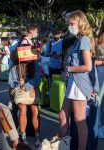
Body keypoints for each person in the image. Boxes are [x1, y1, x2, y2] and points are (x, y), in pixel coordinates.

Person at [56, 10, 99, 150]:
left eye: (72, 24)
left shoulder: (84, 39)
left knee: (79, 120)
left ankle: (81, 148)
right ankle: (60, 144)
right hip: (74, 83)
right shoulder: (78, 40)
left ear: (80, 23)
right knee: (63, 114)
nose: (69, 27)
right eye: (68, 24)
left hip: (80, 84)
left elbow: (88, 66)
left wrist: (69, 69)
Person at [9, 24, 41, 147]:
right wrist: (19, 84)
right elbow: (11, 82)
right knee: (22, 110)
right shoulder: (16, 66)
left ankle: (37, 134)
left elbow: (37, 79)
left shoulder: (35, 64)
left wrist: (26, 85)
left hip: (31, 88)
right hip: (20, 90)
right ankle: (23, 136)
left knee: (34, 109)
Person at [8, 27, 26, 108]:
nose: (24, 35)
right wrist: (15, 64)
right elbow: (12, 55)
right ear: (19, 34)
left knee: (20, 83)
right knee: (13, 84)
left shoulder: (21, 41)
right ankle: (11, 101)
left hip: (20, 65)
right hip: (15, 65)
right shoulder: (15, 42)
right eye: (23, 34)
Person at [95, 18, 104, 138]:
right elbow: (92, 62)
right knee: (99, 100)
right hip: (100, 73)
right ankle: (97, 126)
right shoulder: (97, 42)